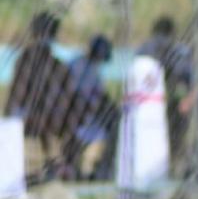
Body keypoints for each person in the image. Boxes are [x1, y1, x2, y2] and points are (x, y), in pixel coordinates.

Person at [8, 12, 73, 177]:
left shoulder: (56, 64)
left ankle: (55, 163)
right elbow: (18, 93)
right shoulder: (26, 60)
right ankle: (52, 163)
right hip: (26, 113)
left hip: (49, 115)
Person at [137, 17, 194, 177]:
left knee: (173, 139)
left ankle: (175, 169)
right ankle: (168, 169)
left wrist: (186, 99)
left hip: (167, 104)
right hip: (157, 104)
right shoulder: (148, 51)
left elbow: (189, 80)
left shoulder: (178, 54)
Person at [65, 34, 120, 180]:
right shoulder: (78, 65)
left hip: (92, 115)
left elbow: (101, 95)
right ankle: (80, 172)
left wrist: (112, 108)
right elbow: (73, 94)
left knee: (100, 140)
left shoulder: (93, 68)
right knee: (84, 143)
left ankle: (89, 172)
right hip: (77, 114)